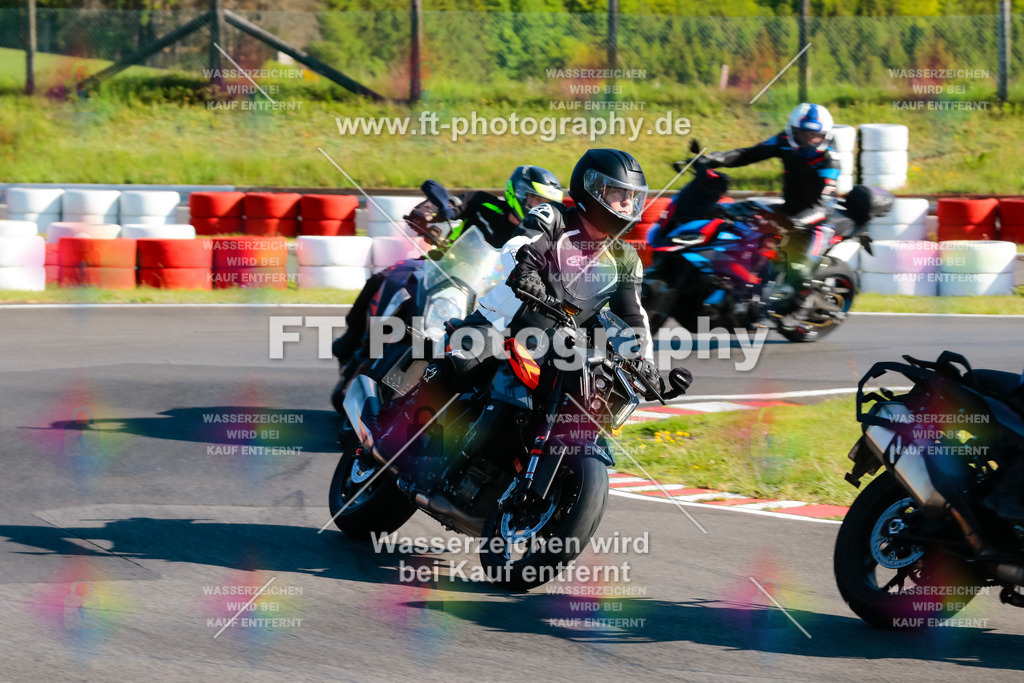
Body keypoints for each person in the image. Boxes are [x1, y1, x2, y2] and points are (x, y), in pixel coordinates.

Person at [412, 148, 663, 402]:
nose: (629, 205)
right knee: (462, 367)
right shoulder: (554, 218)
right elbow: (516, 246)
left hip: (558, 352)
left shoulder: (626, 257)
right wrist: (526, 275)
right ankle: (395, 427)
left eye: (633, 197)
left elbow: (632, 314)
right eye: (621, 194)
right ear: (594, 189)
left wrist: (645, 364)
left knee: (590, 404)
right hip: (501, 328)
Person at [331, 165, 564, 368]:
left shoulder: (538, 235)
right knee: (387, 278)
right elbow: (450, 205)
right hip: (441, 267)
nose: (539, 208)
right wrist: (426, 214)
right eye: (536, 200)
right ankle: (354, 340)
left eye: (546, 204)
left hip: (488, 291)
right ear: (519, 193)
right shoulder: (482, 203)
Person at [696, 103, 851, 311]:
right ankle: (744, 290)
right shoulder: (784, 141)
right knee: (741, 221)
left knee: (800, 270)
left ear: (824, 134)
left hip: (816, 221)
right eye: (803, 133)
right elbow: (749, 154)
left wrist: (793, 223)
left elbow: (821, 207)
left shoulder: (830, 161)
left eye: (815, 135)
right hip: (788, 208)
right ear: (793, 131)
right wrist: (714, 159)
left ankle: (800, 305)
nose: (809, 140)